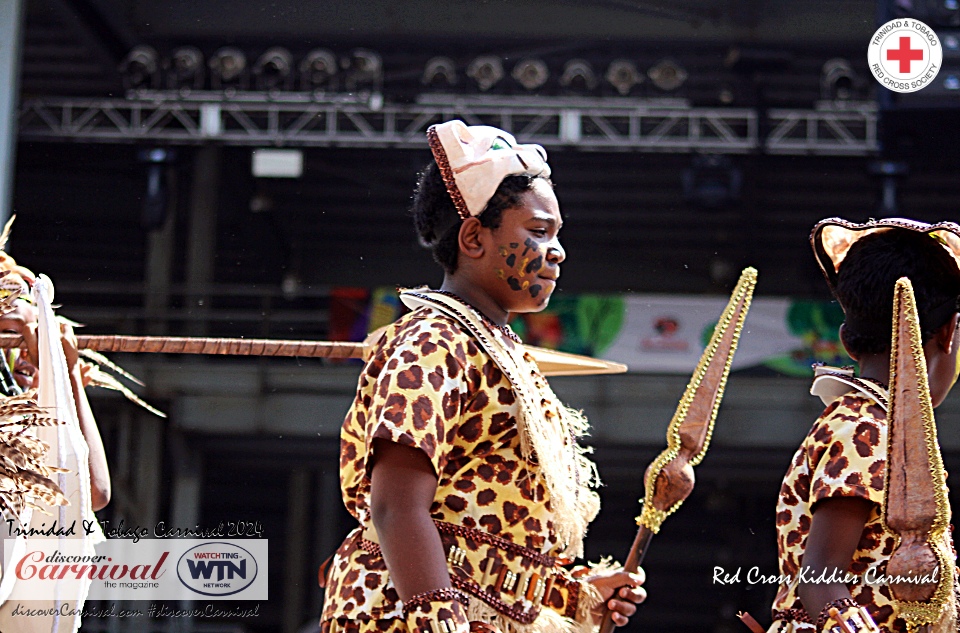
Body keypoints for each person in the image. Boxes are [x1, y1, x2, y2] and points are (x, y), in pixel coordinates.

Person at [320, 120, 646, 633]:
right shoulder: (433, 340)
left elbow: (491, 539)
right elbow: (396, 508)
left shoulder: (500, 351)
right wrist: (437, 621)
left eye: (557, 235)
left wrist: (575, 595)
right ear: (473, 237)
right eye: (538, 232)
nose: (557, 251)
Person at [767, 218, 960, 633]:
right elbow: (820, 580)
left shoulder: (871, 425)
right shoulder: (865, 431)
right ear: (949, 333)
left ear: (848, 340)